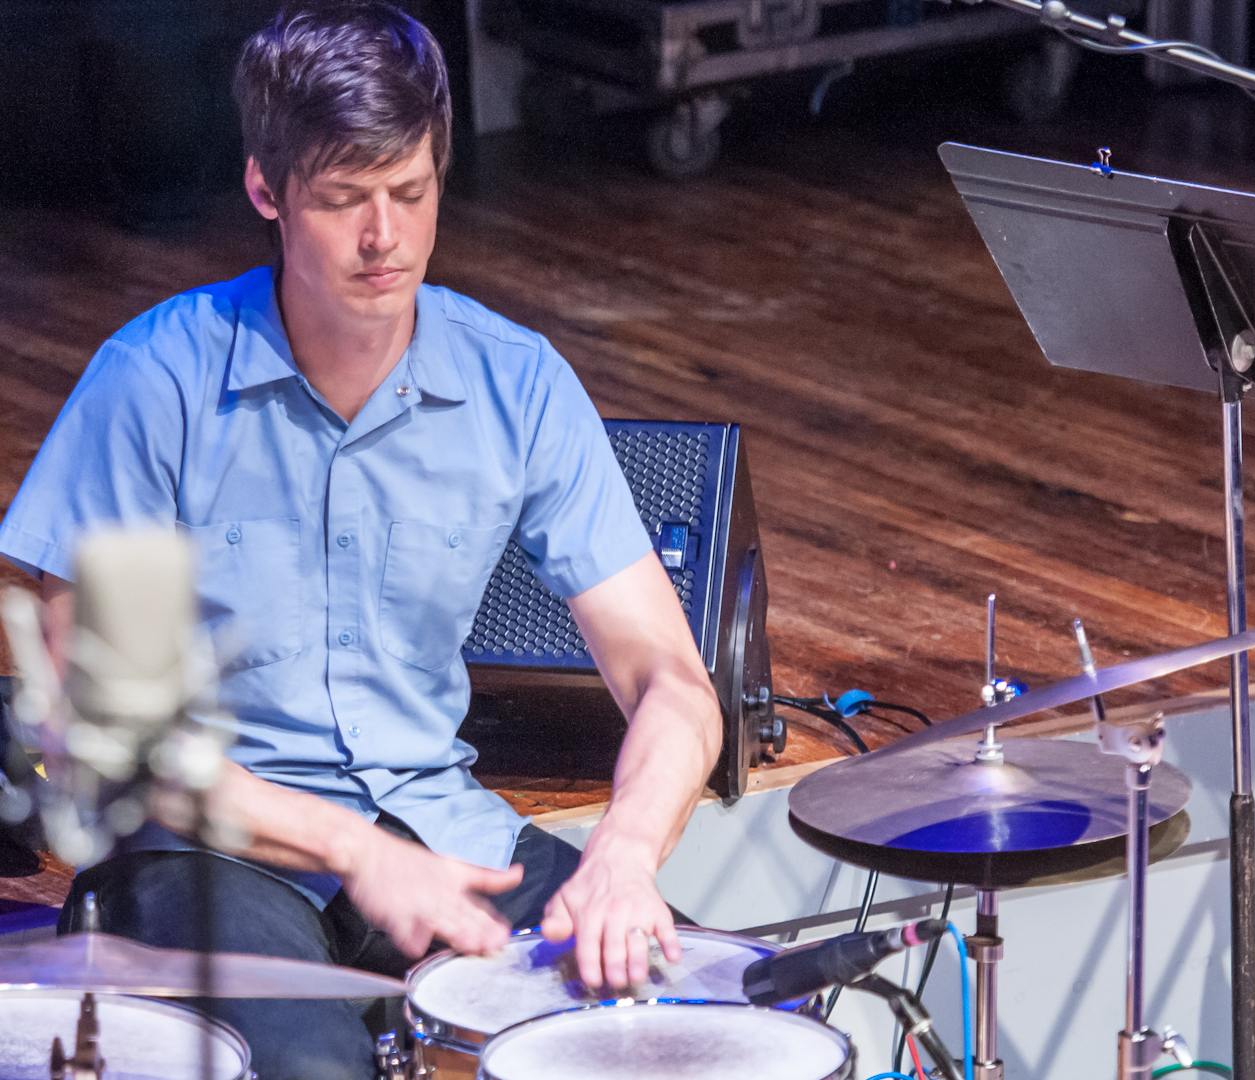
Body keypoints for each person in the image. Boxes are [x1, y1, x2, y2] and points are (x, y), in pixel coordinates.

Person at [0, 4, 721, 1077]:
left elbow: (672, 681)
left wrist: (620, 852)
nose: (384, 237)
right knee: (307, 1065)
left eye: (410, 192)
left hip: (438, 832)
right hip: (211, 852)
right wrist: (354, 850)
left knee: (688, 1030)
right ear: (266, 191)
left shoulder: (514, 384)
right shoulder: (158, 385)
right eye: (342, 200)